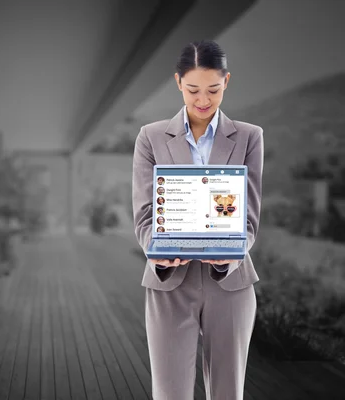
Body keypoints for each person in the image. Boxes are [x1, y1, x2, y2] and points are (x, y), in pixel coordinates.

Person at [132, 40, 263, 400]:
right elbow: (144, 215)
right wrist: (153, 250)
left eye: (213, 89)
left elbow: (249, 219)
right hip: (170, 282)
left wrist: (233, 252)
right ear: (178, 82)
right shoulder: (151, 137)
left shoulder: (250, 137)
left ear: (227, 82)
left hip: (230, 283)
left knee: (227, 393)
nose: (203, 100)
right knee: (170, 394)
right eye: (192, 89)